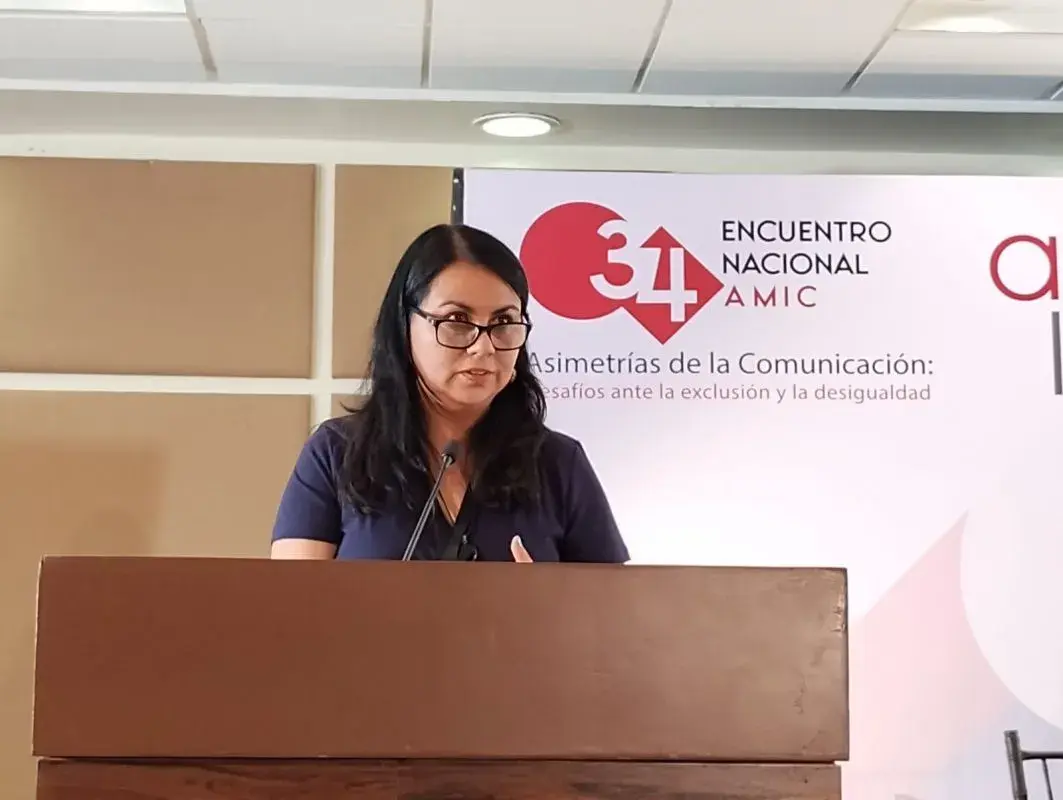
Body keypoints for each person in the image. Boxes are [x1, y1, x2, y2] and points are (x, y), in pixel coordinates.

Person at [269, 222, 629, 563]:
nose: (484, 347)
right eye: (457, 320)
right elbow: (289, 601)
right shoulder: (336, 454)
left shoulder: (559, 464)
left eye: (503, 322)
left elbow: (617, 603)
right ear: (404, 325)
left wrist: (547, 599)